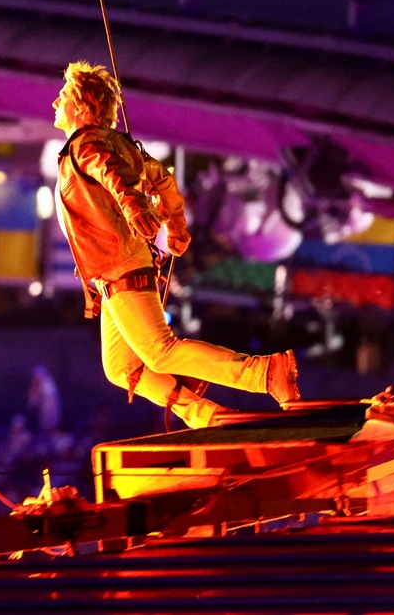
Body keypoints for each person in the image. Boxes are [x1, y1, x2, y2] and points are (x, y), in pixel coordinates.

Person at [52, 61, 299, 428]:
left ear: (83, 107)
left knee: (159, 352)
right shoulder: (118, 143)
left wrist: (137, 209)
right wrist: (176, 225)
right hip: (115, 271)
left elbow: (113, 175)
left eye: (64, 95)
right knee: (121, 368)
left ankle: (264, 372)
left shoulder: (85, 145)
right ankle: (206, 415)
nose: (55, 101)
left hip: (121, 266)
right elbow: (162, 179)